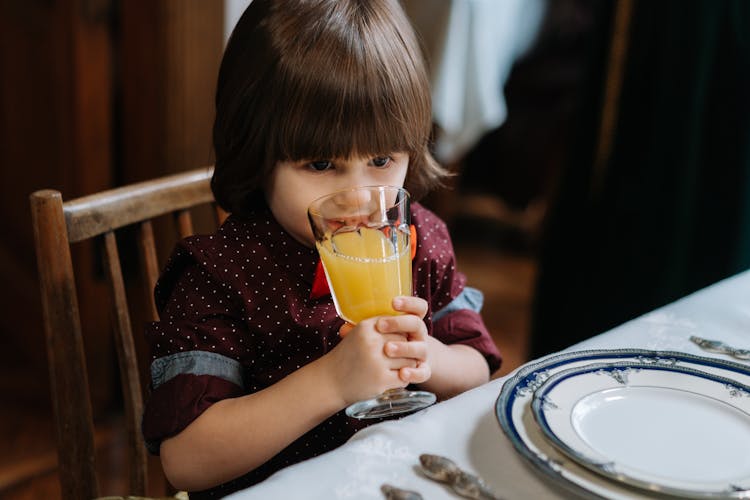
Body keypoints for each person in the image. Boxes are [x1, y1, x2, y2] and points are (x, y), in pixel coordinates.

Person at [141, 0, 501, 497]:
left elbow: (478, 364)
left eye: (380, 158)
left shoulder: (420, 237)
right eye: (320, 165)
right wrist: (332, 382)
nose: (357, 199)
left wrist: (429, 358)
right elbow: (185, 461)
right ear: (257, 152)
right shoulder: (220, 273)